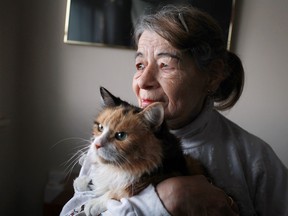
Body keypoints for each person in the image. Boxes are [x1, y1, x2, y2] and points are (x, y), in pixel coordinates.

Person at [60, 5, 288, 216]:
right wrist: (166, 199)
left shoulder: (255, 158)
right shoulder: (106, 147)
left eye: (165, 65)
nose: (143, 81)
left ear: (213, 75)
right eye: (140, 65)